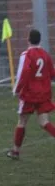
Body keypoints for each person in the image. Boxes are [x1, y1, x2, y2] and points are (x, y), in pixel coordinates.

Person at [7, 29, 55, 159]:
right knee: (44, 122)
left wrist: (16, 89)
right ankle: (15, 151)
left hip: (29, 94)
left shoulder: (26, 54)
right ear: (39, 40)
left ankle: (15, 151)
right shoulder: (45, 55)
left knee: (22, 121)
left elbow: (24, 73)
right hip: (43, 94)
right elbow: (52, 74)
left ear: (28, 39)